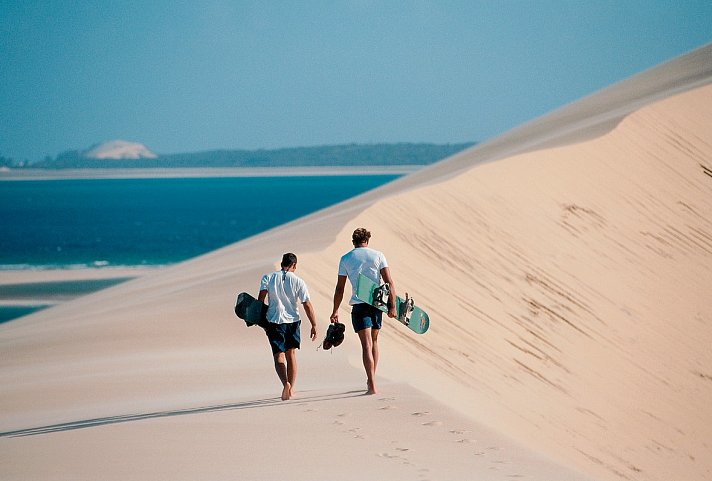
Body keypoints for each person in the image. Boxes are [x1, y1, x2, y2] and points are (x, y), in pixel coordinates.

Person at [330, 228, 396, 395]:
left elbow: (340, 288)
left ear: (353, 241)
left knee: (365, 345)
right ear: (367, 240)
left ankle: (371, 384)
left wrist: (335, 310)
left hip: (359, 305)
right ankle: (371, 378)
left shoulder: (345, 258)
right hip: (377, 304)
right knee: (374, 342)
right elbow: (389, 282)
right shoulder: (378, 255)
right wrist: (393, 306)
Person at [258, 253, 318, 400]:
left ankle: (285, 384)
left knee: (279, 355)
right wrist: (314, 324)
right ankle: (291, 387)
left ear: (281, 263)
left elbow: (260, 299)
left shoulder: (268, 277)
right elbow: (306, 304)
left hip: (274, 320)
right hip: (293, 321)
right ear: (294, 266)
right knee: (291, 355)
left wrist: (261, 321)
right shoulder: (299, 281)